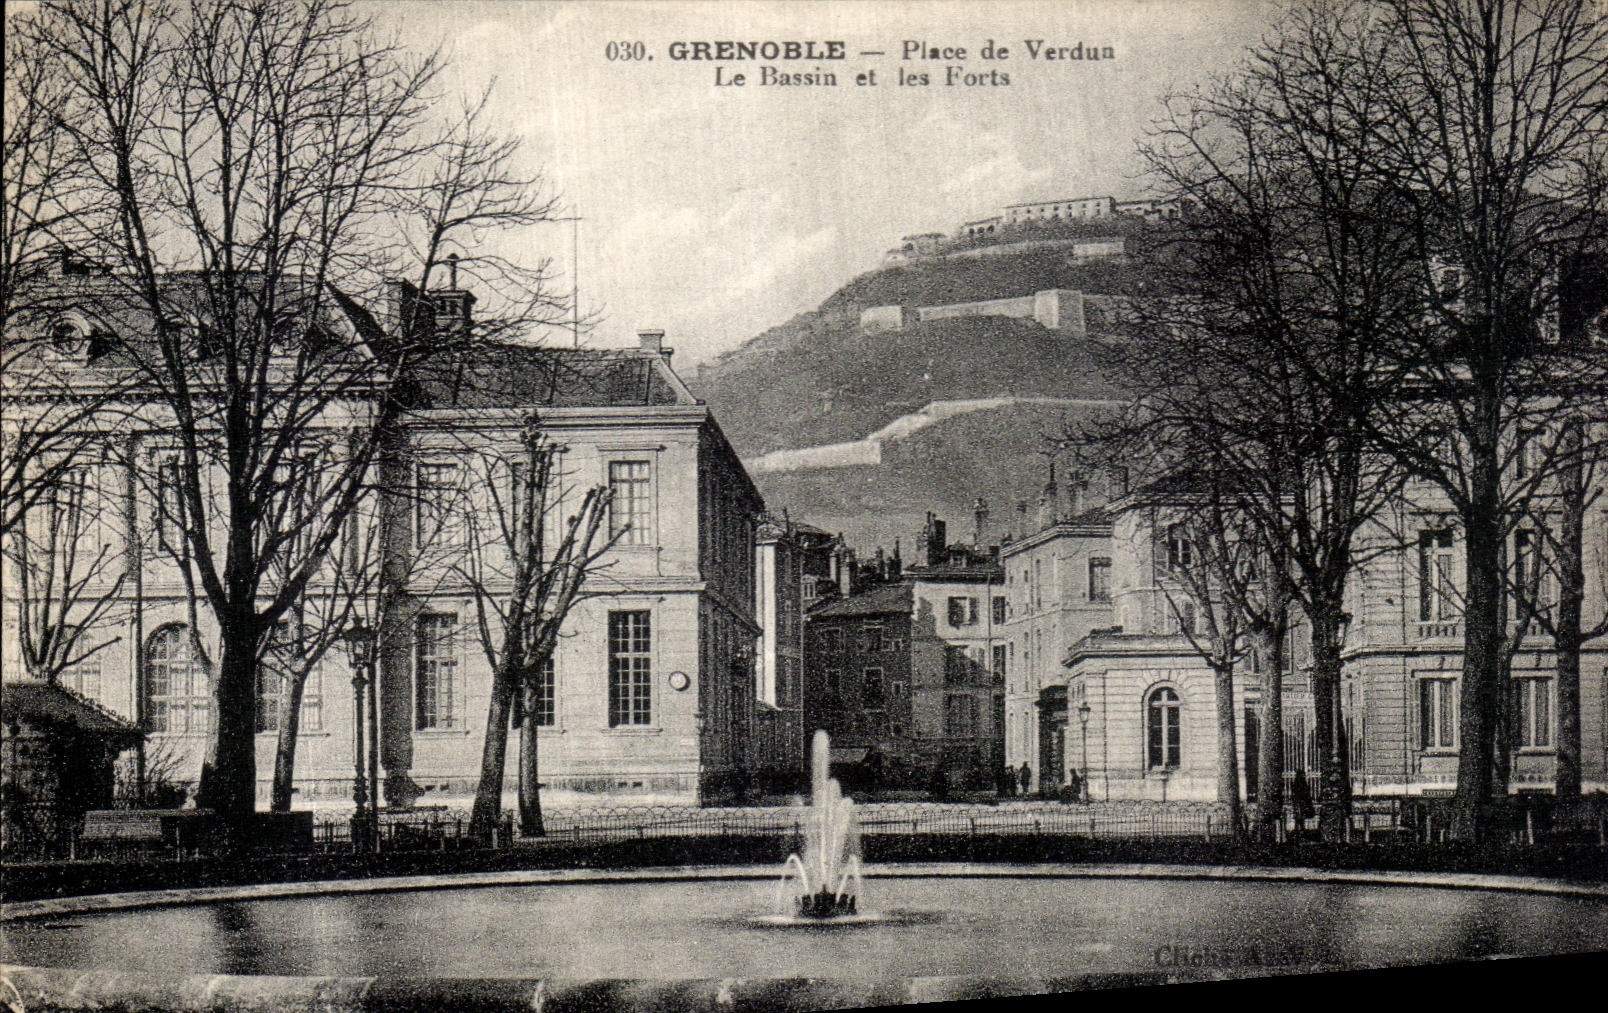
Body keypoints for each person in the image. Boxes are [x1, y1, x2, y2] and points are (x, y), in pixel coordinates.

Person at [1290, 769, 1315, 842]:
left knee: (1299, 818)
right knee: (1300, 818)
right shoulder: (1302, 783)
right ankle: (1301, 832)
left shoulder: (1295, 783)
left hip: (1298, 803)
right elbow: (1306, 793)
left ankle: (1298, 832)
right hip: (1301, 803)